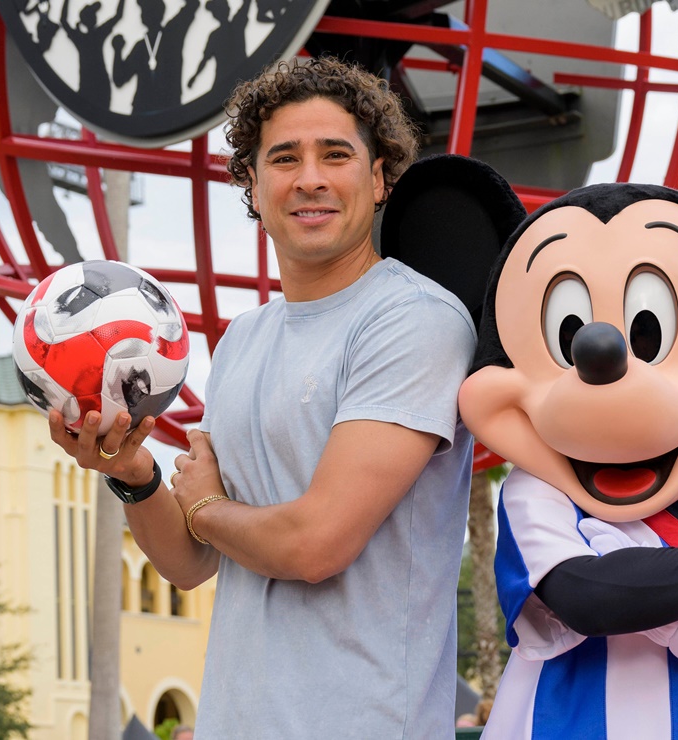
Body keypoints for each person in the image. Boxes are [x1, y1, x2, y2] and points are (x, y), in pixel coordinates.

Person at [50, 57, 477, 738]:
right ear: (251, 182)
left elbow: (315, 543)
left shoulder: (415, 319)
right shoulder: (244, 338)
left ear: (378, 177)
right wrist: (132, 477)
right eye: (284, 158)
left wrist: (209, 507)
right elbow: (192, 561)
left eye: (335, 155)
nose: (310, 178)